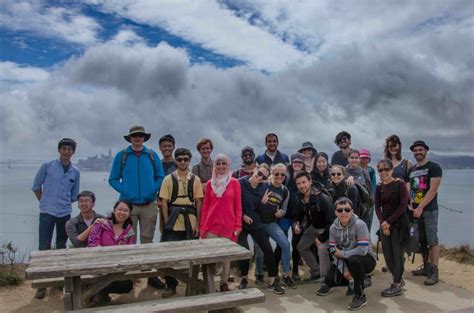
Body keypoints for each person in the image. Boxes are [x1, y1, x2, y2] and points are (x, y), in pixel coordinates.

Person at [108, 125, 165, 289]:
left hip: (149, 205)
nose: (137, 138)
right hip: (128, 206)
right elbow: (113, 179)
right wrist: (126, 192)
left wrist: (152, 190)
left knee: (147, 239)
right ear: (130, 138)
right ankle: (129, 275)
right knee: (128, 239)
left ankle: (149, 274)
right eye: (135, 136)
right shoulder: (122, 156)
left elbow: (160, 176)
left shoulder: (152, 155)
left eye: (140, 135)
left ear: (144, 138)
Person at [32, 138, 80, 299]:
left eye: (70, 149)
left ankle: (60, 281)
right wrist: (45, 202)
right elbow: (36, 187)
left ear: (73, 152)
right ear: (59, 150)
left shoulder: (75, 171)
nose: (67, 151)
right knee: (43, 247)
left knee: (61, 246)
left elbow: (74, 194)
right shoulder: (47, 166)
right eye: (64, 148)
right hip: (47, 212)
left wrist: (63, 203)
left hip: (64, 212)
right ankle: (42, 285)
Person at [317, 198, 377, 311]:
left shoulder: (360, 225)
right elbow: (333, 251)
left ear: (352, 211)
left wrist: (342, 253)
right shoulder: (333, 228)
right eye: (340, 210)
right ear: (335, 212)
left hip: (366, 259)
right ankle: (359, 279)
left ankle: (359, 295)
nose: (343, 212)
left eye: (347, 209)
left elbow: (362, 250)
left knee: (354, 260)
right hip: (346, 259)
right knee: (329, 279)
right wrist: (344, 270)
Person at [159, 148, 204, 297]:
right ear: (175, 160)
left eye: (185, 159)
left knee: (193, 255)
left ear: (189, 160)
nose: (183, 162)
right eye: (179, 159)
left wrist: (198, 224)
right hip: (173, 219)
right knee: (170, 255)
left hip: (190, 219)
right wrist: (167, 223)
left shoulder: (195, 179)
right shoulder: (168, 179)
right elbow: (164, 203)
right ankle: (170, 284)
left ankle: (193, 285)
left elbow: (198, 202)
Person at [237, 164, 285, 294]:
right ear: (254, 170)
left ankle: (272, 281)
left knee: (268, 250)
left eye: (264, 176)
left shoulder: (264, 187)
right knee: (244, 251)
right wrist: (243, 215)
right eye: (259, 173)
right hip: (241, 223)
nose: (260, 177)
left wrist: (264, 204)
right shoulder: (240, 183)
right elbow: (234, 204)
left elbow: (263, 211)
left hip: (256, 222)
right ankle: (244, 278)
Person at [200, 154, 242, 292]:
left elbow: (238, 206)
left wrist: (238, 225)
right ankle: (210, 282)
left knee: (225, 257)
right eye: (218, 164)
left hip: (228, 226)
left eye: (224, 164)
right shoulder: (210, 184)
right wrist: (202, 227)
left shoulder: (234, 182)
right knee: (211, 256)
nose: (221, 166)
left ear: (228, 165)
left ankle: (223, 283)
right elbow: (205, 206)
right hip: (211, 225)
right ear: (215, 166)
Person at [408, 140, 442, 285]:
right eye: (415, 150)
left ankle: (434, 271)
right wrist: (412, 206)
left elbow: (433, 190)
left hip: (429, 210)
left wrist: (421, 207)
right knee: (421, 240)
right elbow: (409, 189)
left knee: (432, 240)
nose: (418, 152)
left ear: (426, 150)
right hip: (415, 211)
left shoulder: (434, 167)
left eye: (420, 150)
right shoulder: (412, 170)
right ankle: (426, 267)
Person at [87, 200, 136, 303]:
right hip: (99, 264)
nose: (122, 213)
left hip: (117, 266)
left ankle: (99, 292)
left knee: (127, 285)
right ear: (114, 210)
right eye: (120, 209)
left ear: (130, 213)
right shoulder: (102, 224)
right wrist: (105, 258)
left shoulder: (130, 231)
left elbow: (130, 251)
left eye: (125, 210)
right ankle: (93, 293)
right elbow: (92, 243)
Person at [257, 163, 296, 289]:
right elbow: (253, 205)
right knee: (260, 250)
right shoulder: (263, 186)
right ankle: (259, 273)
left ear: (285, 176)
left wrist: (281, 213)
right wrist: (261, 203)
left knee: (285, 244)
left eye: (282, 174)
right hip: (259, 223)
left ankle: (285, 274)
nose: (279, 176)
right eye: (276, 173)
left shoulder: (285, 191)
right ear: (272, 174)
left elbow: (284, 208)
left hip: (271, 223)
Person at [375, 159, 409, 297]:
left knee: (397, 255)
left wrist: (389, 222)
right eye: (380, 170)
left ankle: (396, 283)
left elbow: (403, 205)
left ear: (392, 170)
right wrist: (383, 222)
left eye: (386, 169)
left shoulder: (399, 184)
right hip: (385, 225)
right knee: (388, 256)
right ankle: (399, 279)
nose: (383, 172)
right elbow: (377, 206)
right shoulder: (379, 186)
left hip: (399, 224)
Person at [294, 171, 335, 283]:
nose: (301, 186)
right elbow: (298, 214)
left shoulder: (322, 198)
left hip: (326, 229)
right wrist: (297, 224)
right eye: (298, 183)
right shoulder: (300, 197)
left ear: (310, 181)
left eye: (304, 182)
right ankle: (316, 271)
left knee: (322, 248)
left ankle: (326, 278)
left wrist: (320, 239)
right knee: (301, 247)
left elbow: (332, 222)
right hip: (314, 227)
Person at [274, 153, 305, 282]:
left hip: (297, 217)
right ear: (291, 163)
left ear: (303, 164)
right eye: (295, 162)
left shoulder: (304, 177)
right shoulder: (285, 177)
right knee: (282, 243)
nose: (297, 164)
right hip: (285, 216)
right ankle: (275, 270)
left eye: (300, 162)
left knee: (296, 243)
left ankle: (295, 270)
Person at [346, 149, 373, 230]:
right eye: (352, 157)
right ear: (348, 159)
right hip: (346, 209)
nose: (354, 160)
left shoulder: (364, 172)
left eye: (356, 158)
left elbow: (369, 190)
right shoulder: (343, 171)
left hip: (362, 209)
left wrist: (354, 181)